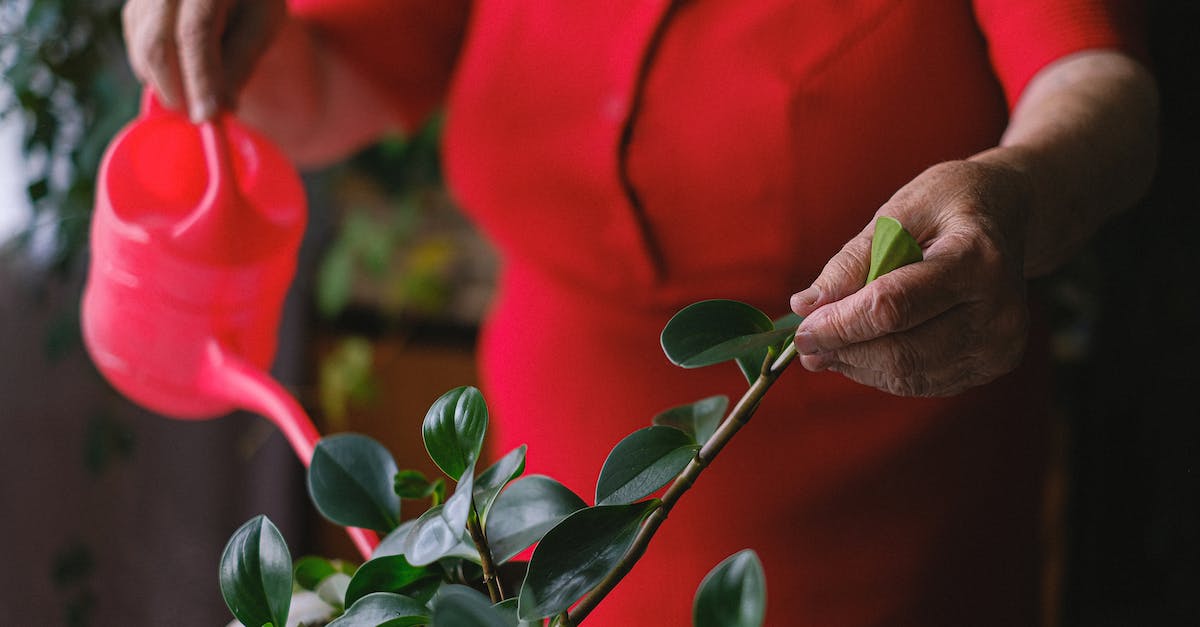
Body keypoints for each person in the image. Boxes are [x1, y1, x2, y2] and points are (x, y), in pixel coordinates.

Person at [120, 1, 1158, 625]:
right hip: (535, 540)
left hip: (878, 559)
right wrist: (224, 42)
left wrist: (1020, 190)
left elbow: (1098, 77)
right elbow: (332, 85)